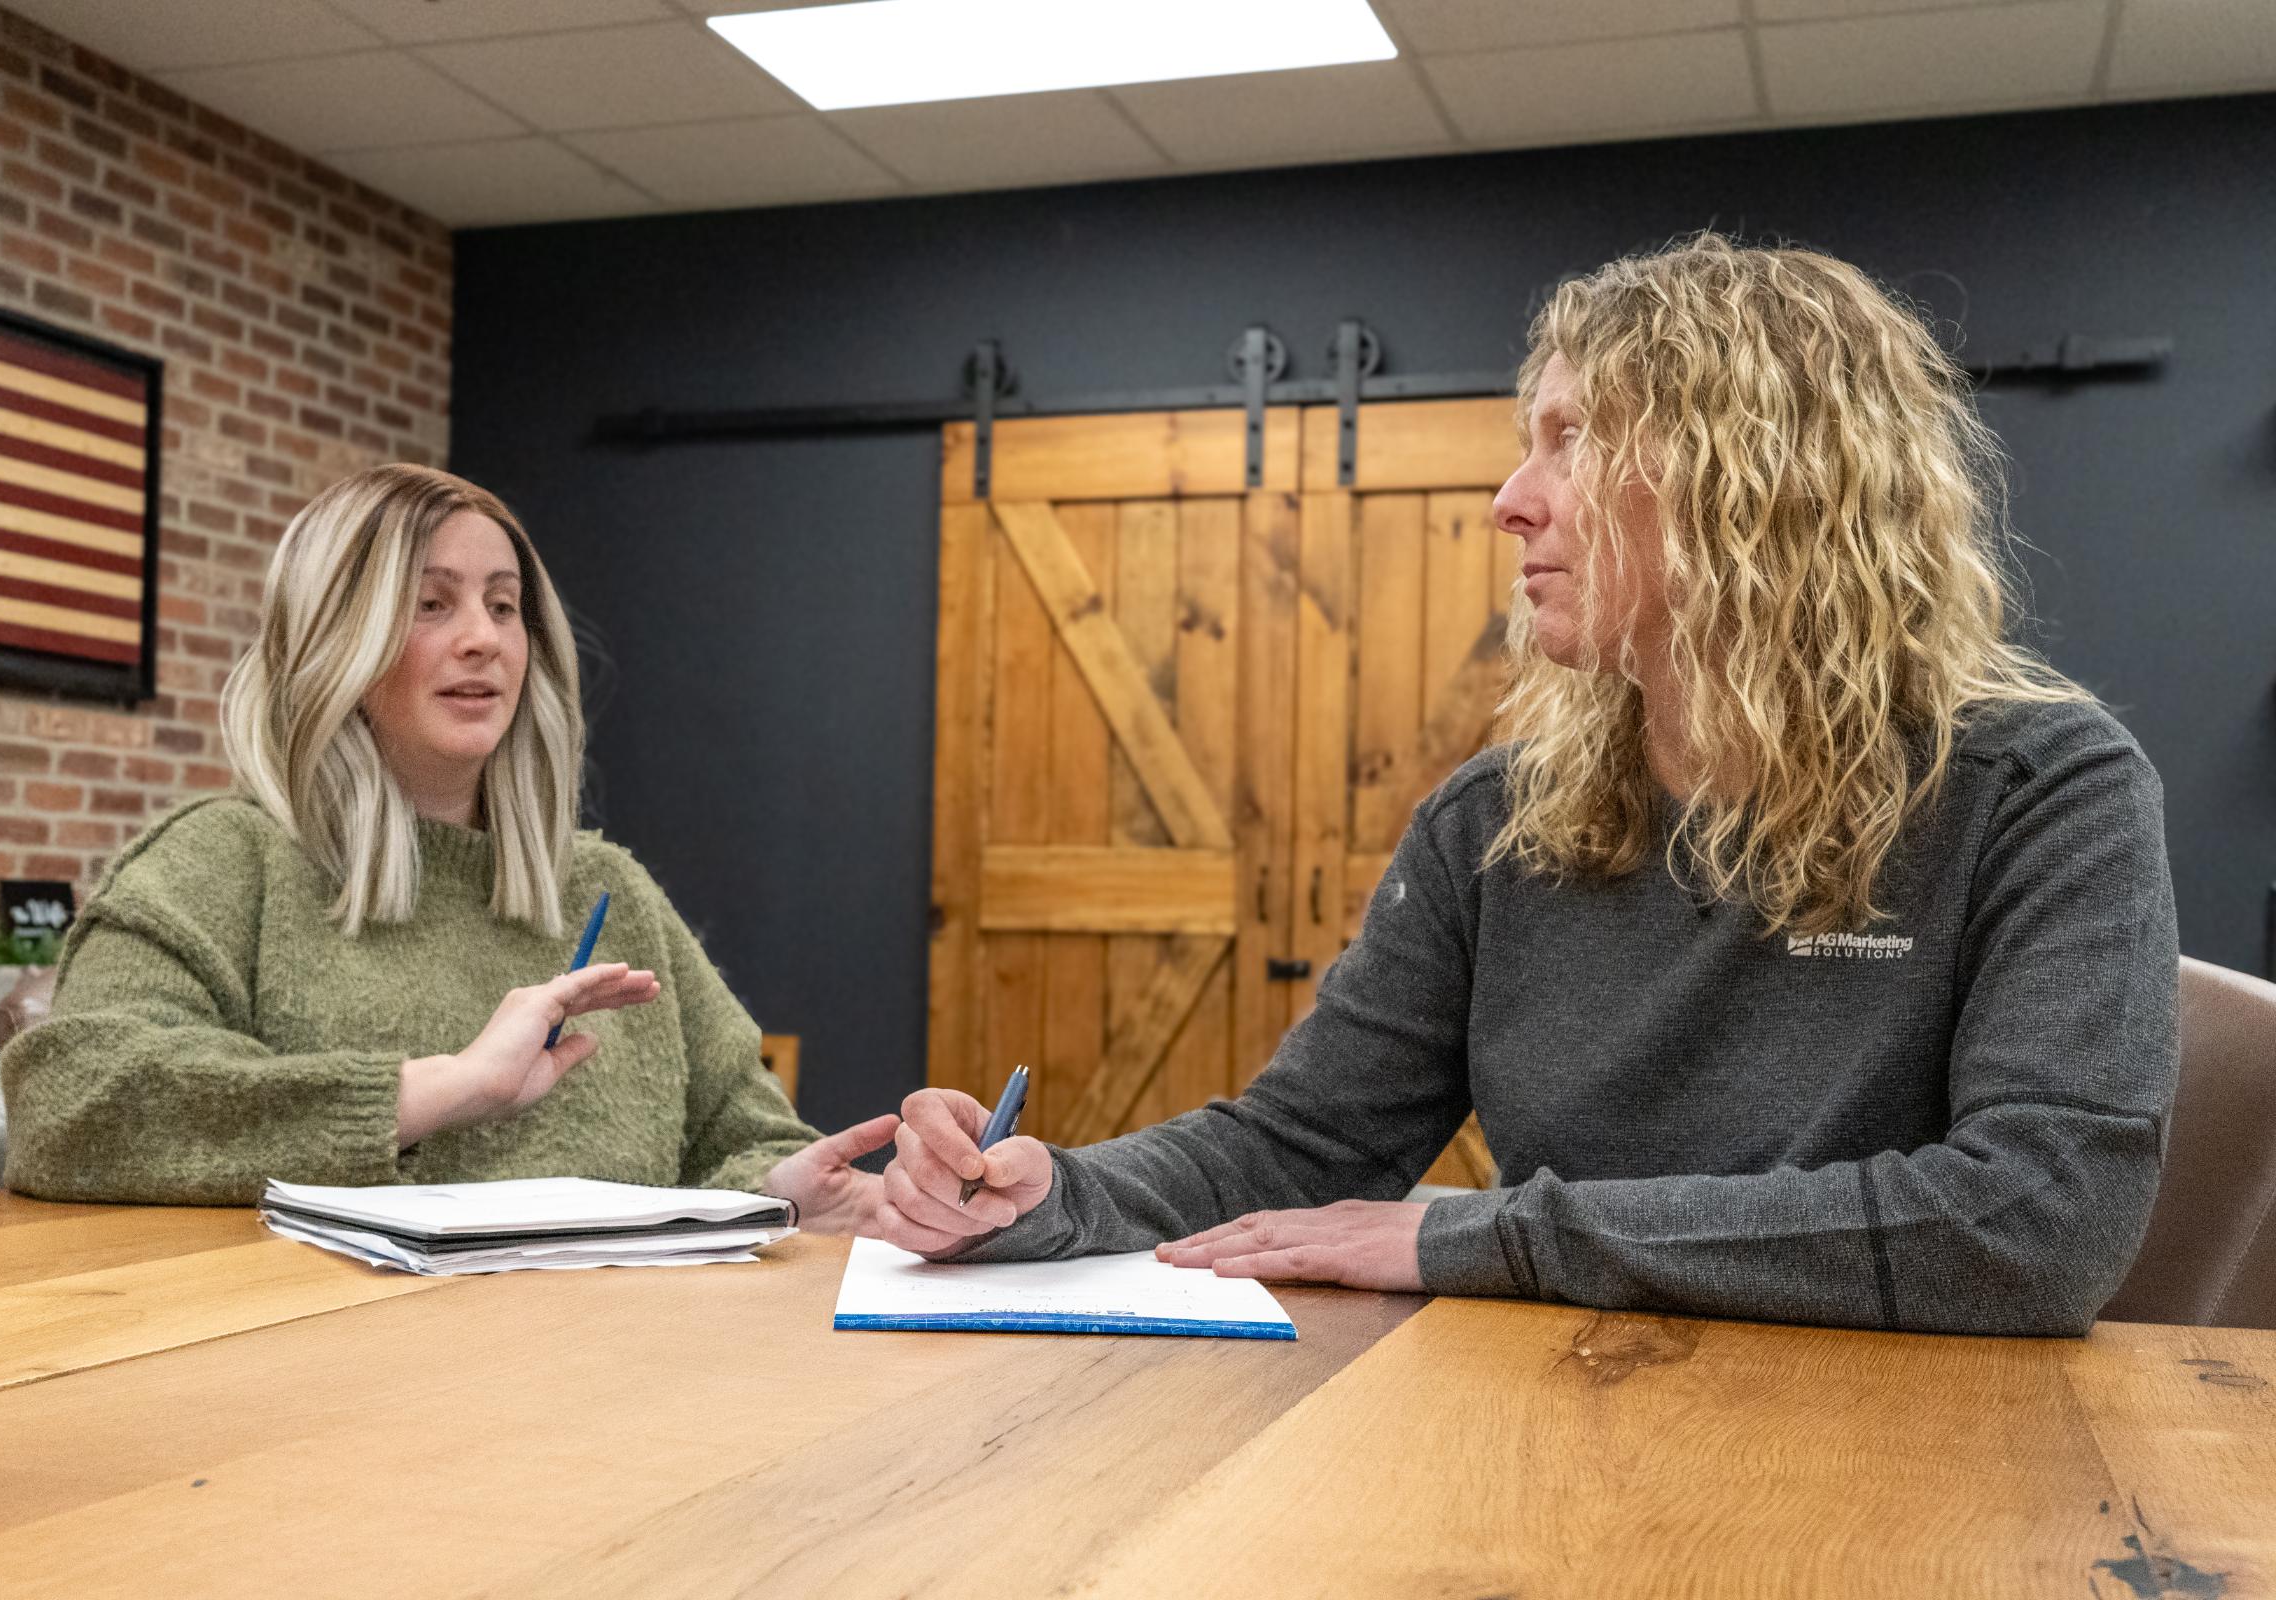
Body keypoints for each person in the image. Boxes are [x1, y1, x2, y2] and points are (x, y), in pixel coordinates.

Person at [873, 234, 2179, 1336]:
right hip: (1561, 1415)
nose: (1510, 500)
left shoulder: (2041, 791)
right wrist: (1054, 1196)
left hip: (1900, 1461)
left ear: (1757, 481)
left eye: (1571, 440)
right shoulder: (1494, 822)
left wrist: (1476, 1237)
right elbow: (1304, 1145)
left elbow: (2035, 1225)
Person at [2, 463, 895, 1228]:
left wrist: (782, 1193)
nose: (484, 639)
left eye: (504, 607)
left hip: (613, 1381)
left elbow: (745, 1140)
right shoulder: (225, 862)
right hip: (320, 1392)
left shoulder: (604, 889)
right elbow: (77, 1098)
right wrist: (448, 1087)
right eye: (431, 604)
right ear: (331, 639)